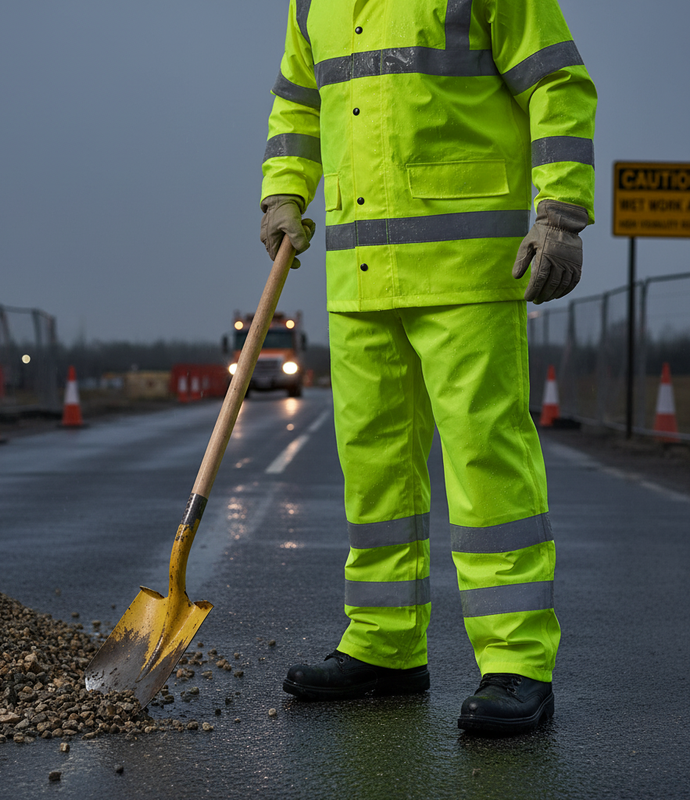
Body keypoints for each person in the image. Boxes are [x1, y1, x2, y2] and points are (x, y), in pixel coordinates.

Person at [259, 0, 595, 736]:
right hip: (359, 276)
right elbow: (298, 99)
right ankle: (384, 646)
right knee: (373, 463)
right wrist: (284, 188)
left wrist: (561, 212)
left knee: (484, 459)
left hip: (466, 268)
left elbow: (557, 81)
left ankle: (517, 661)